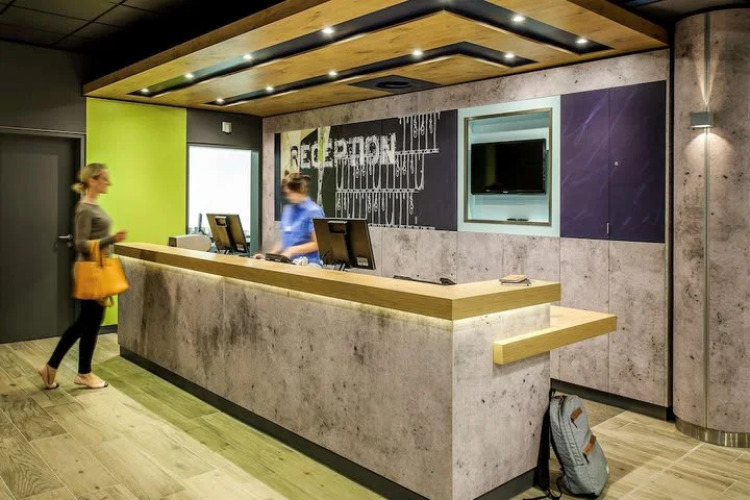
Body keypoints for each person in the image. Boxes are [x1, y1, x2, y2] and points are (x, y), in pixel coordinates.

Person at [37, 163, 127, 390]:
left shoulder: (93, 205)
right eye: (104, 178)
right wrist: (111, 239)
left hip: (97, 269)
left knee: (88, 323)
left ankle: (65, 370)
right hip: (91, 272)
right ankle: (77, 372)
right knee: (87, 323)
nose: (108, 183)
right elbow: (80, 243)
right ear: (92, 180)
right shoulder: (85, 208)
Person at [255, 171, 324, 265]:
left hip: (308, 264)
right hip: (288, 263)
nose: (288, 196)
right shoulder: (288, 210)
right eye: (286, 193)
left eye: (291, 193)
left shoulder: (314, 211)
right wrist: (268, 257)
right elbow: (283, 242)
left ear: (301, 189)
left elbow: (318, 244)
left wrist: (292, 250)